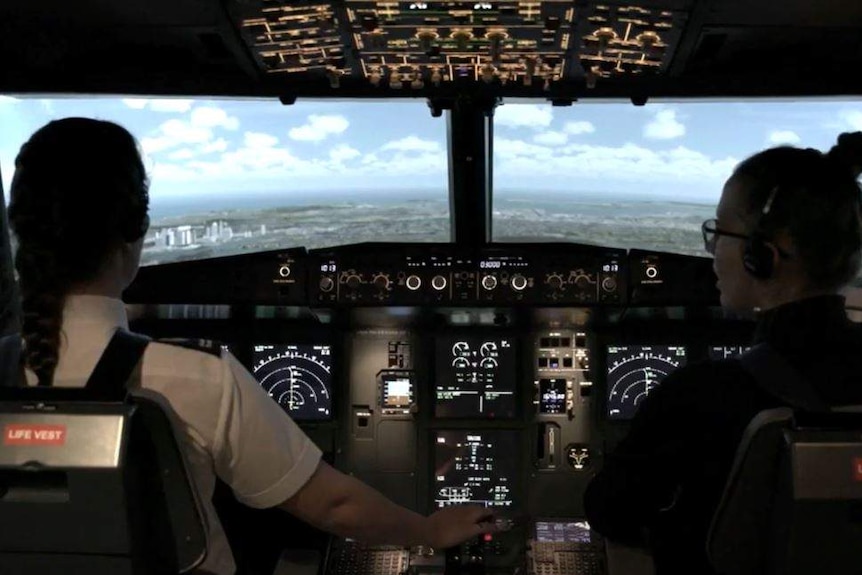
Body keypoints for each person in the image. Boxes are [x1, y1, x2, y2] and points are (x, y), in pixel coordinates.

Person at [5, 118, 498, 575]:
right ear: (134, 232)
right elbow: (333, 505)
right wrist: (428, 531)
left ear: (23, 236)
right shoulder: (194, 377)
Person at [584, 133, 862, 574]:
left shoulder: (704, 393)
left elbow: (609, 511)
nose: (711, 253)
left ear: (761, 257)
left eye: (719, 234)